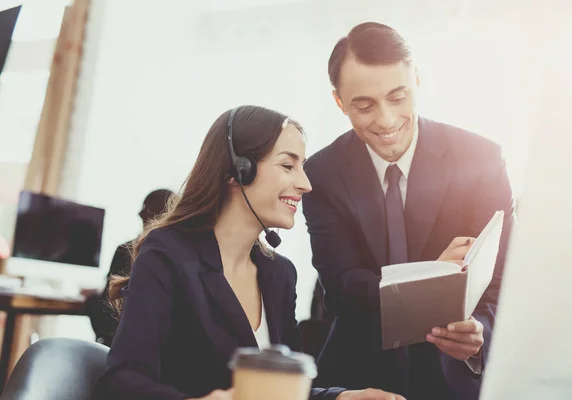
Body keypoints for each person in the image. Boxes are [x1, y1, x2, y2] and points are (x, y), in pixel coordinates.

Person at [92, 105, 404, 400]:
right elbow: (123, 383)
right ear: (238, 171)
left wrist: (340, 397)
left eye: (303, 168)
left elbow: (283, 392)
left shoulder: (279, 274)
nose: (306, 184)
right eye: (287, 165)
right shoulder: (168, 255)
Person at [302, 22, 516, 400]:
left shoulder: (481, 158)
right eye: (363, 106)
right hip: (358, 377)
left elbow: (504, 283)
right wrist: (433, 276)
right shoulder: (322, 174)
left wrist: (480, 333)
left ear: (417, 81)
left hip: (459, 381)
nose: (385, 120)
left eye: (398, 97)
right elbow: (343, 290)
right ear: (339, 102)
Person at [82, 189, 174, 346]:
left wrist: (92, 298)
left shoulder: (127, 250)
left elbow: (108, 306)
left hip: (119, 345)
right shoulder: (180, 257)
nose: (139, 213)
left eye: (145, 207)